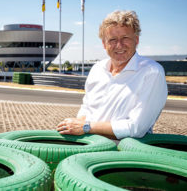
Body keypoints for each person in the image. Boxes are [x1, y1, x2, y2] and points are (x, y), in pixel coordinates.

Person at [56, 10, 168, 140]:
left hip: (122, 153)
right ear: (104, 44)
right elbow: (87, 109)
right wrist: (74, 125)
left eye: (125, 38)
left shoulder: (151, 72)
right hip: (89, 146)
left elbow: (136, 128)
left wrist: (86, 127)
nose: (119, 45)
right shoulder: (97, 69)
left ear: (136, 40)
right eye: (112, 40)